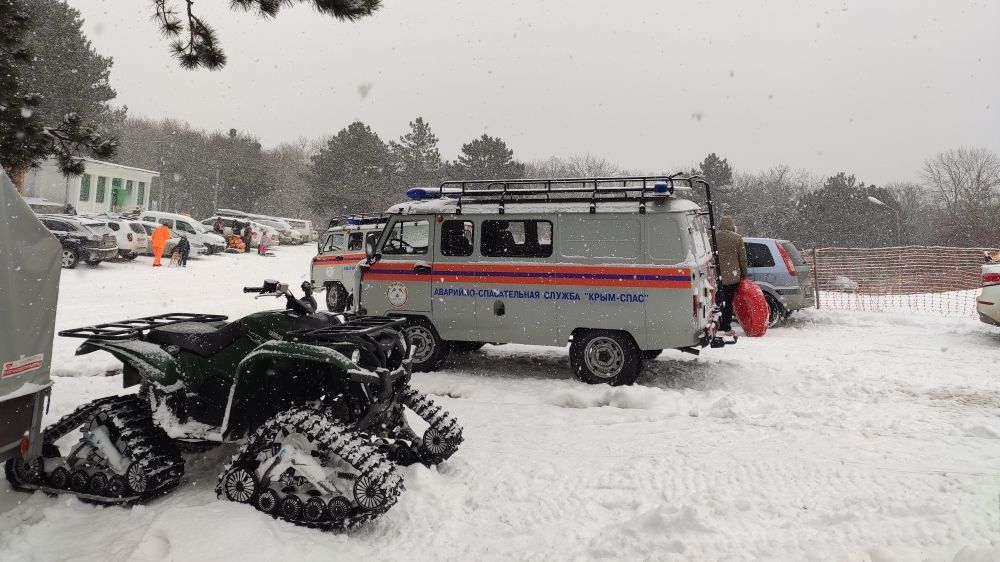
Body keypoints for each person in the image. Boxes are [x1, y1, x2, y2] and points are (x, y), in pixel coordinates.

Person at [715, 215, 748, 337]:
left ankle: (716, 324)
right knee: (728, 302)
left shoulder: (713, 238)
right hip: (732, 276)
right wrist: (744, 274)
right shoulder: (737, 238)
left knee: (717, 302)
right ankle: (726, 327)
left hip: (717, 277)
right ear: (732, 225)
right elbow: (742, 259)